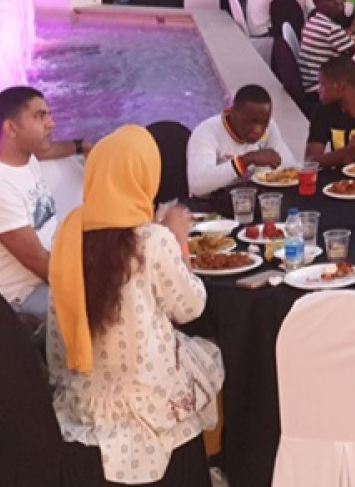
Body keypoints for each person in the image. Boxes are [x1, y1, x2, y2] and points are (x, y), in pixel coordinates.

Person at [47, 126, 223, 486]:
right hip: (151, 397)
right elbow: (190, 308)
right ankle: (216, 463)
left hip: (84, 396)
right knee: (210, 353)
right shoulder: (153, 241)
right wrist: (179, 241)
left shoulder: (68, 235)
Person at [0, 87, 90, 323]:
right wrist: (94, 282)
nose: (51, 123)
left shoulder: (25, 158)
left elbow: (47, 150)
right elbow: (39, 262)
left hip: (47, 274)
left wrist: (82, 146)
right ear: (11, 128)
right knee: (110, 299)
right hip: (19, 302)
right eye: (40, 116)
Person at [186, 85, 297, 198]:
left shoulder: (269, 128)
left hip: (251, 203)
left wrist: (276, 165)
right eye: (251, 122)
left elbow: (290, 167)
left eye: (264, 122)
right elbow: (197, 185)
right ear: (233, 112)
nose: (258, 130)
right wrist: (245, 160)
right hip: (210, 208)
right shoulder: (207, 132)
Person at [297, 0, 355, 97]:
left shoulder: (313, 21)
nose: (340, 2)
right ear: (322, 5)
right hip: (318, 87)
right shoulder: (331, 29)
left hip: (308, 80)